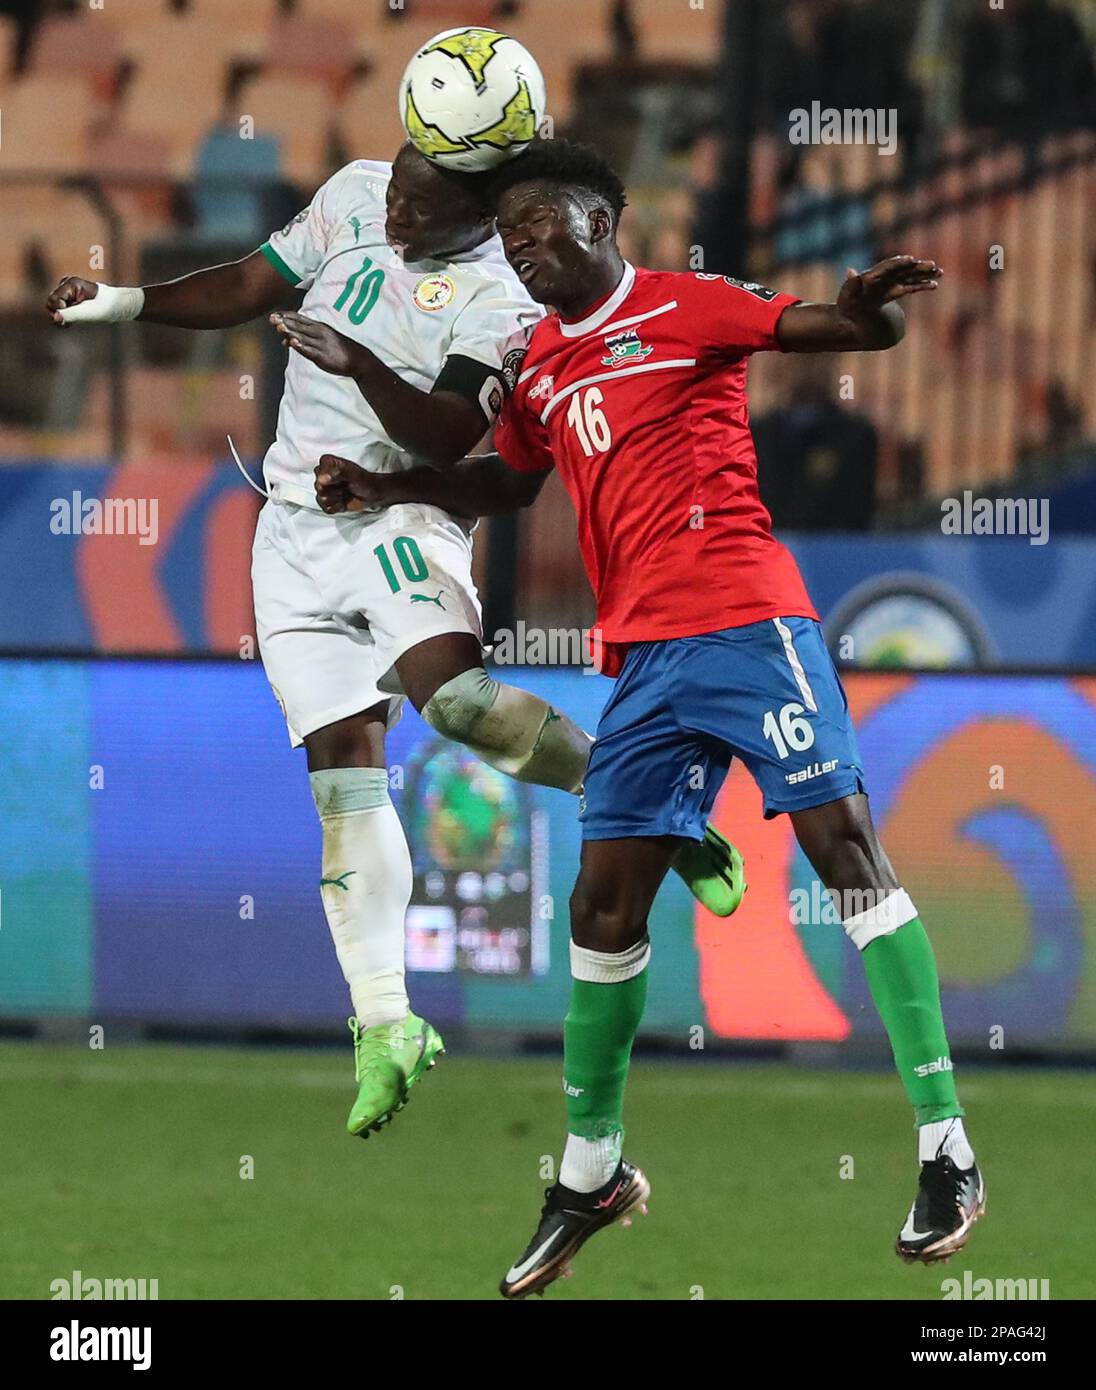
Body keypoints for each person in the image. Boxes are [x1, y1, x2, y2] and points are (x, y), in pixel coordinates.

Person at [314, 138, 983, 1298]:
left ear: (597, 217)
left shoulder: (687, 305)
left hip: (746, 625)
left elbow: (820, 328)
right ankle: (590, 1175)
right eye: (508, 240)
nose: (521, 252)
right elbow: (505, 486)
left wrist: (866, 318)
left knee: (844, 854)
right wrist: (389, 486)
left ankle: (945, 1147)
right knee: (600, 900)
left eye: (535, 230)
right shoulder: (534, 367)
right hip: (644, 665)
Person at [46, 141, 742, 1143]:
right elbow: (247, 281)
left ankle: (645, 801)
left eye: (424, 203)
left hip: (396, 513)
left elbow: (447, 432)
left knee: (452, 700)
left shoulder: (503, 292)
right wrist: (118, 303)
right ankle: (385, 1022)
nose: (398, 211)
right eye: (400, 190)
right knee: (342, 775)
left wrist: (354, 358)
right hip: (289, 526)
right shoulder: (356, 193)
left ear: (477, 205)